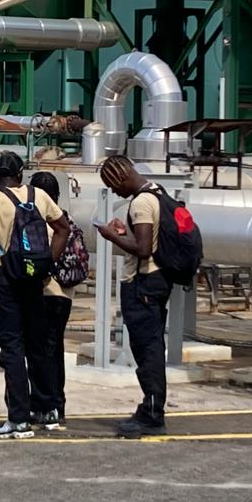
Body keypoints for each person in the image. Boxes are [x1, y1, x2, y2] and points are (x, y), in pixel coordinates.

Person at [0, 151, 68, 440]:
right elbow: (62, 227)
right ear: (21, 173)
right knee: (38, 344)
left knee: (12, 348)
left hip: (7, 278)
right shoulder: (38, 195)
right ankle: (47, 410)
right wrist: (49, 259)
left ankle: (18, 418)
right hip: (35, 278)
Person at [97, 155, 172, 439]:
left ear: (120, 176)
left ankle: (153, 413)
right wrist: (123, 231)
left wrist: (111, 236)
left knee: (148, 349)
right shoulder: (158, 192)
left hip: (143, 284)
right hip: (157, 281)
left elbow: (143, 248)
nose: (114, 192)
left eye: (112, 186)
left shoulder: (141, 202)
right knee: (151, 345)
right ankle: (150, 406)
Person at [29, 171, 74, 430]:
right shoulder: (66, 220)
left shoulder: (39, 224)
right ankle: (59, 404)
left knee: (41, 354)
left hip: (46, 293)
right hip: (66, 295)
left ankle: (46, 406)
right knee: (55, 351)